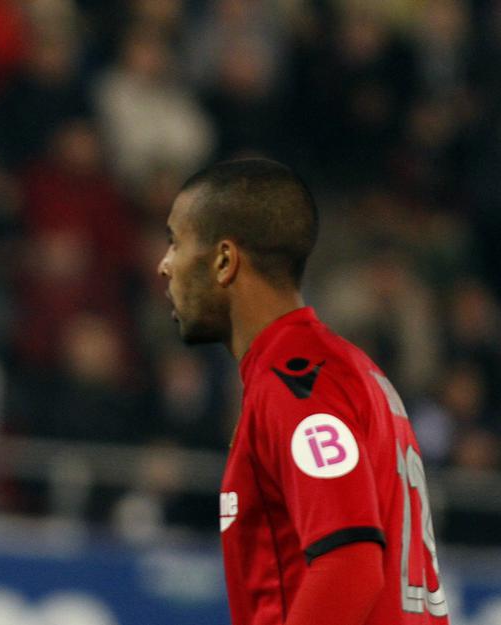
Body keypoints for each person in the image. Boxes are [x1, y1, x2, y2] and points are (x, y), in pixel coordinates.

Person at [157, 158, 449, 625]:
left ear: (225, 260)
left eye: (175, 241)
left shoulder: (298, 385)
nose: (165, 265)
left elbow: (350, 565)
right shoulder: (343, 370)